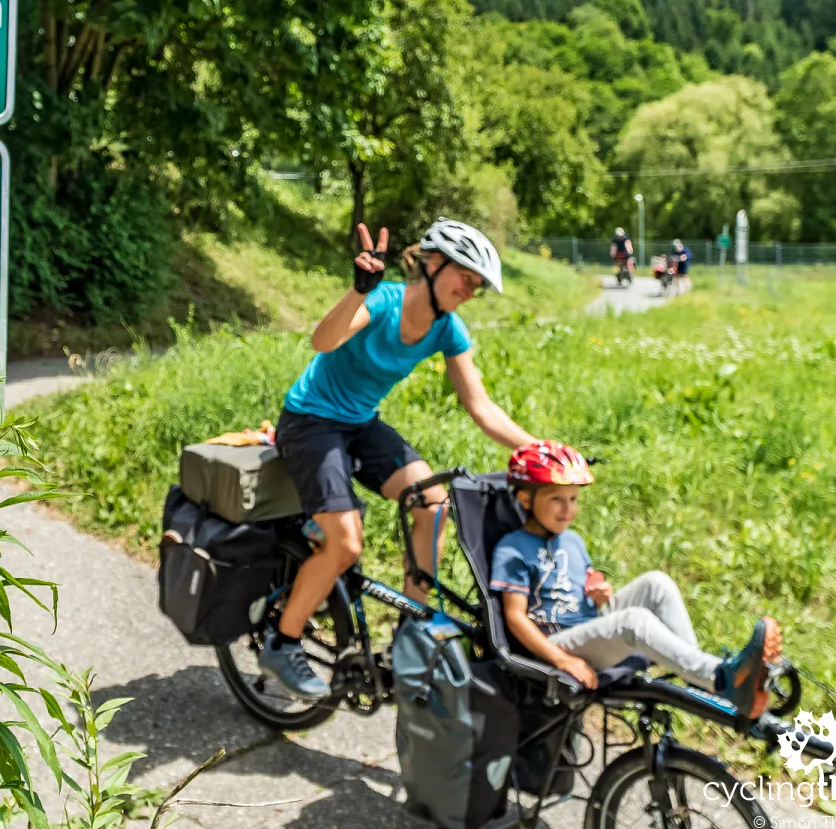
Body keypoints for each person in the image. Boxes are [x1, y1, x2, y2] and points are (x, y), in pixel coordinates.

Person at [259, 219, 539, 699]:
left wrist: (539, 451)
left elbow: (480, 406)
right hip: (310, 421)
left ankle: (412, 629)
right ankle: (282, 643)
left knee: (433, 502)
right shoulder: (385, 301)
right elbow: (322, 341)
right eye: (464, 277)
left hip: (360, 424)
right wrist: (357, 290)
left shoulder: (448, 329)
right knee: (346, 545)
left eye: (476, 284)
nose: (470, 290)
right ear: (432, 265)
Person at [492, 441, 783, 718]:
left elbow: (582, 597)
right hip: (553, 644)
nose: (568, 510)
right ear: (525, 498)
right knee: (634, 621)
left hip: (586, 629)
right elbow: (515, 618)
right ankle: (720, 678)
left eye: (573, 499)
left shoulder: (572, 541)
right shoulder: (512, 548)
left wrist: (600, 597)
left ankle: (699, 677)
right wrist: (562, 660)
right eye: (556, 499)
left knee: (656, 583)